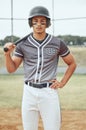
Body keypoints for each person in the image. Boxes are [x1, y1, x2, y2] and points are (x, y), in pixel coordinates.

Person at [4, 6, 76, 130]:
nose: (39, 25)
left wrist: (62, 82)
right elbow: (11, 69)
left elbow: (72, 63)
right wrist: (7, 54)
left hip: (49, 92)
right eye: (35, 21)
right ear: (31, 23)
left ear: (47, 24)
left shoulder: (57, 43)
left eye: (42, 21)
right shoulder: (23, 44)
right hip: (29, 92)